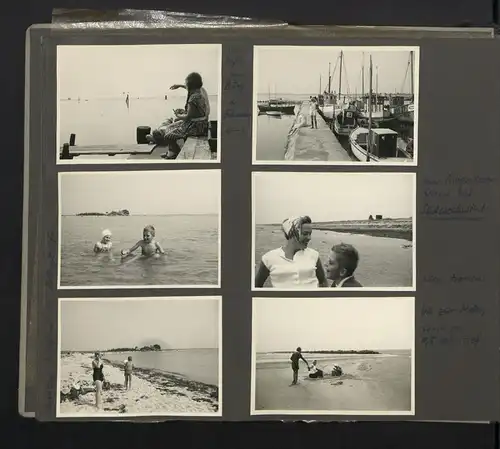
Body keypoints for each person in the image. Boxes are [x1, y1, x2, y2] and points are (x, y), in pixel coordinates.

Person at [255, 216, 328, 289]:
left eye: (310, 234)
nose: (309, 238)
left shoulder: (314, 255)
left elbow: (323, 282)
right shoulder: (269, 258)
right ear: (292, 234)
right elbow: (256, 286)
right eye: (305, 234)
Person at [148, 72, 209, 159]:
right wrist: (183, 112)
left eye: (186, 83)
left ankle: (174, 152)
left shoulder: (192, 98)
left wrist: (178, 115)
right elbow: (195, 113)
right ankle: (172, 151)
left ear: (190, 85)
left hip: (194, 127)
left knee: (168, 135)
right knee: (169, 127)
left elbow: (188, 116)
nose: (185, 85)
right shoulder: (200, 94)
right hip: (201, 124)